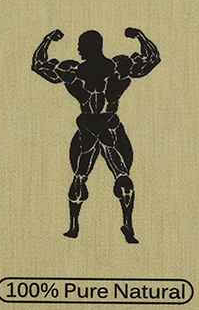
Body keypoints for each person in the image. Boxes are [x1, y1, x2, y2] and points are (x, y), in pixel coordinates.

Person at [32, 27, 160, 242]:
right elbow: (152, 59)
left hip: (89, 126)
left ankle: (74, 226)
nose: (78, 50)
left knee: (80, 175)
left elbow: (38, 64)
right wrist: (140, 36)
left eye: (80, 46)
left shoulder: (72, 71)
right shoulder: (119, 68)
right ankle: (127, 224)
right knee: (121, 174)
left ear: (85, 47)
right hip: (109, 125)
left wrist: (48, 40)